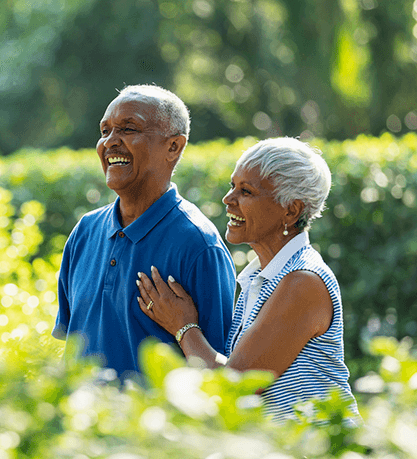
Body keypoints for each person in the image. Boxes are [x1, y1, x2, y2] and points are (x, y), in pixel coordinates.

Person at [136, 137, 360, 422]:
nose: (228, 200)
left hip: (320, 455)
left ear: (290, 210)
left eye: (246, 191)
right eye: (233, 186)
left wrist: (183, 326)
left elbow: (234, 387)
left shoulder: (302, 282)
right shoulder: (262, 278)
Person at [52, 85, 236, 384]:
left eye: (128, 128)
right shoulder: (85, 232)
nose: (110, 142)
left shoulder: (199, 245)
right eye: (105, 130)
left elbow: (218, 376)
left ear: (174, 147)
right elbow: (70, 348)